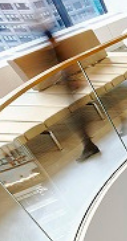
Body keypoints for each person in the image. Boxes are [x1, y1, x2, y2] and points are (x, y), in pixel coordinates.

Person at [43, 30, 101, 162]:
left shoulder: (56, 49)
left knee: (76, 116)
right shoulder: (54, 48)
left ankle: (89, 145)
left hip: (68, 86)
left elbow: (67, 64)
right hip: (65, 86)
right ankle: (88, 144)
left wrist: (73, 79)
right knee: (75, 116)